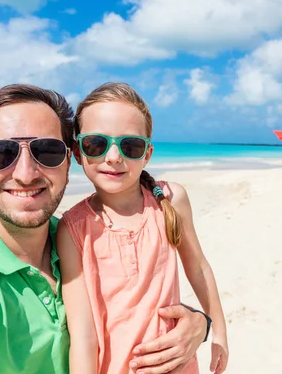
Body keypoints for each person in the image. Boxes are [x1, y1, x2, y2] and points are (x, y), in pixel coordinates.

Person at [0, 84, 209, 374]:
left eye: (47, 151)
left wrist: (199, 322)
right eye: (0, 154)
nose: (25, 173)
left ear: (69, 161)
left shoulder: (81, 236)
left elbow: (136, 297)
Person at [57, 82, 229, 374]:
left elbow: (198, 267)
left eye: (130, 146)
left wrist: (219, 332)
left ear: (147, 154)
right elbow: (82, 333)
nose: (113, 157)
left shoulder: (171, 200)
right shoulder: (72, 228)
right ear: (77, 152)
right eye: (96, 144)